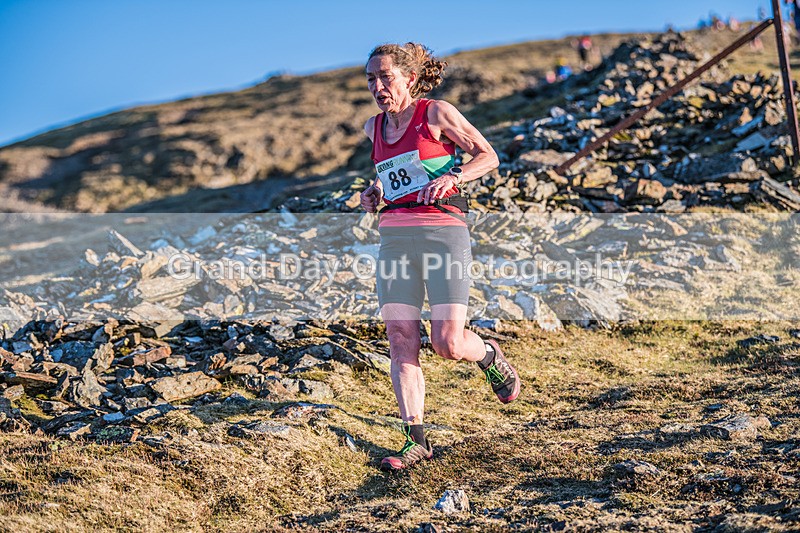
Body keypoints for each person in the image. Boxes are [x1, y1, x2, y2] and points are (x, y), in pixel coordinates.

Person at [360, 42, 521, 472]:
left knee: (447, 343)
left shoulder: (435, 113)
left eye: (386, 77)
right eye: (371, 79)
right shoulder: (372, 129)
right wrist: (374, 193)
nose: (377, 86)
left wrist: (454, 176)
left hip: (443, 234)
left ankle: (488, 355)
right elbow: (392, 178)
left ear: (409, 78)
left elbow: (488, 156)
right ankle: (415, 440)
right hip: (394, 239)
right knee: (400, 339)